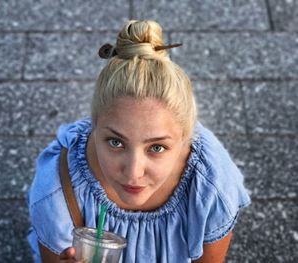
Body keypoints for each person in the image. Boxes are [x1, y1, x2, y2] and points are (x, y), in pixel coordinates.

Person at [27, 20, 251, 263]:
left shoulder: (212, 187)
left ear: (185, 140)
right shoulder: (56, 190)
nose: (133, 173)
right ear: (94, 127)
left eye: (156, 147)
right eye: (115, 142)